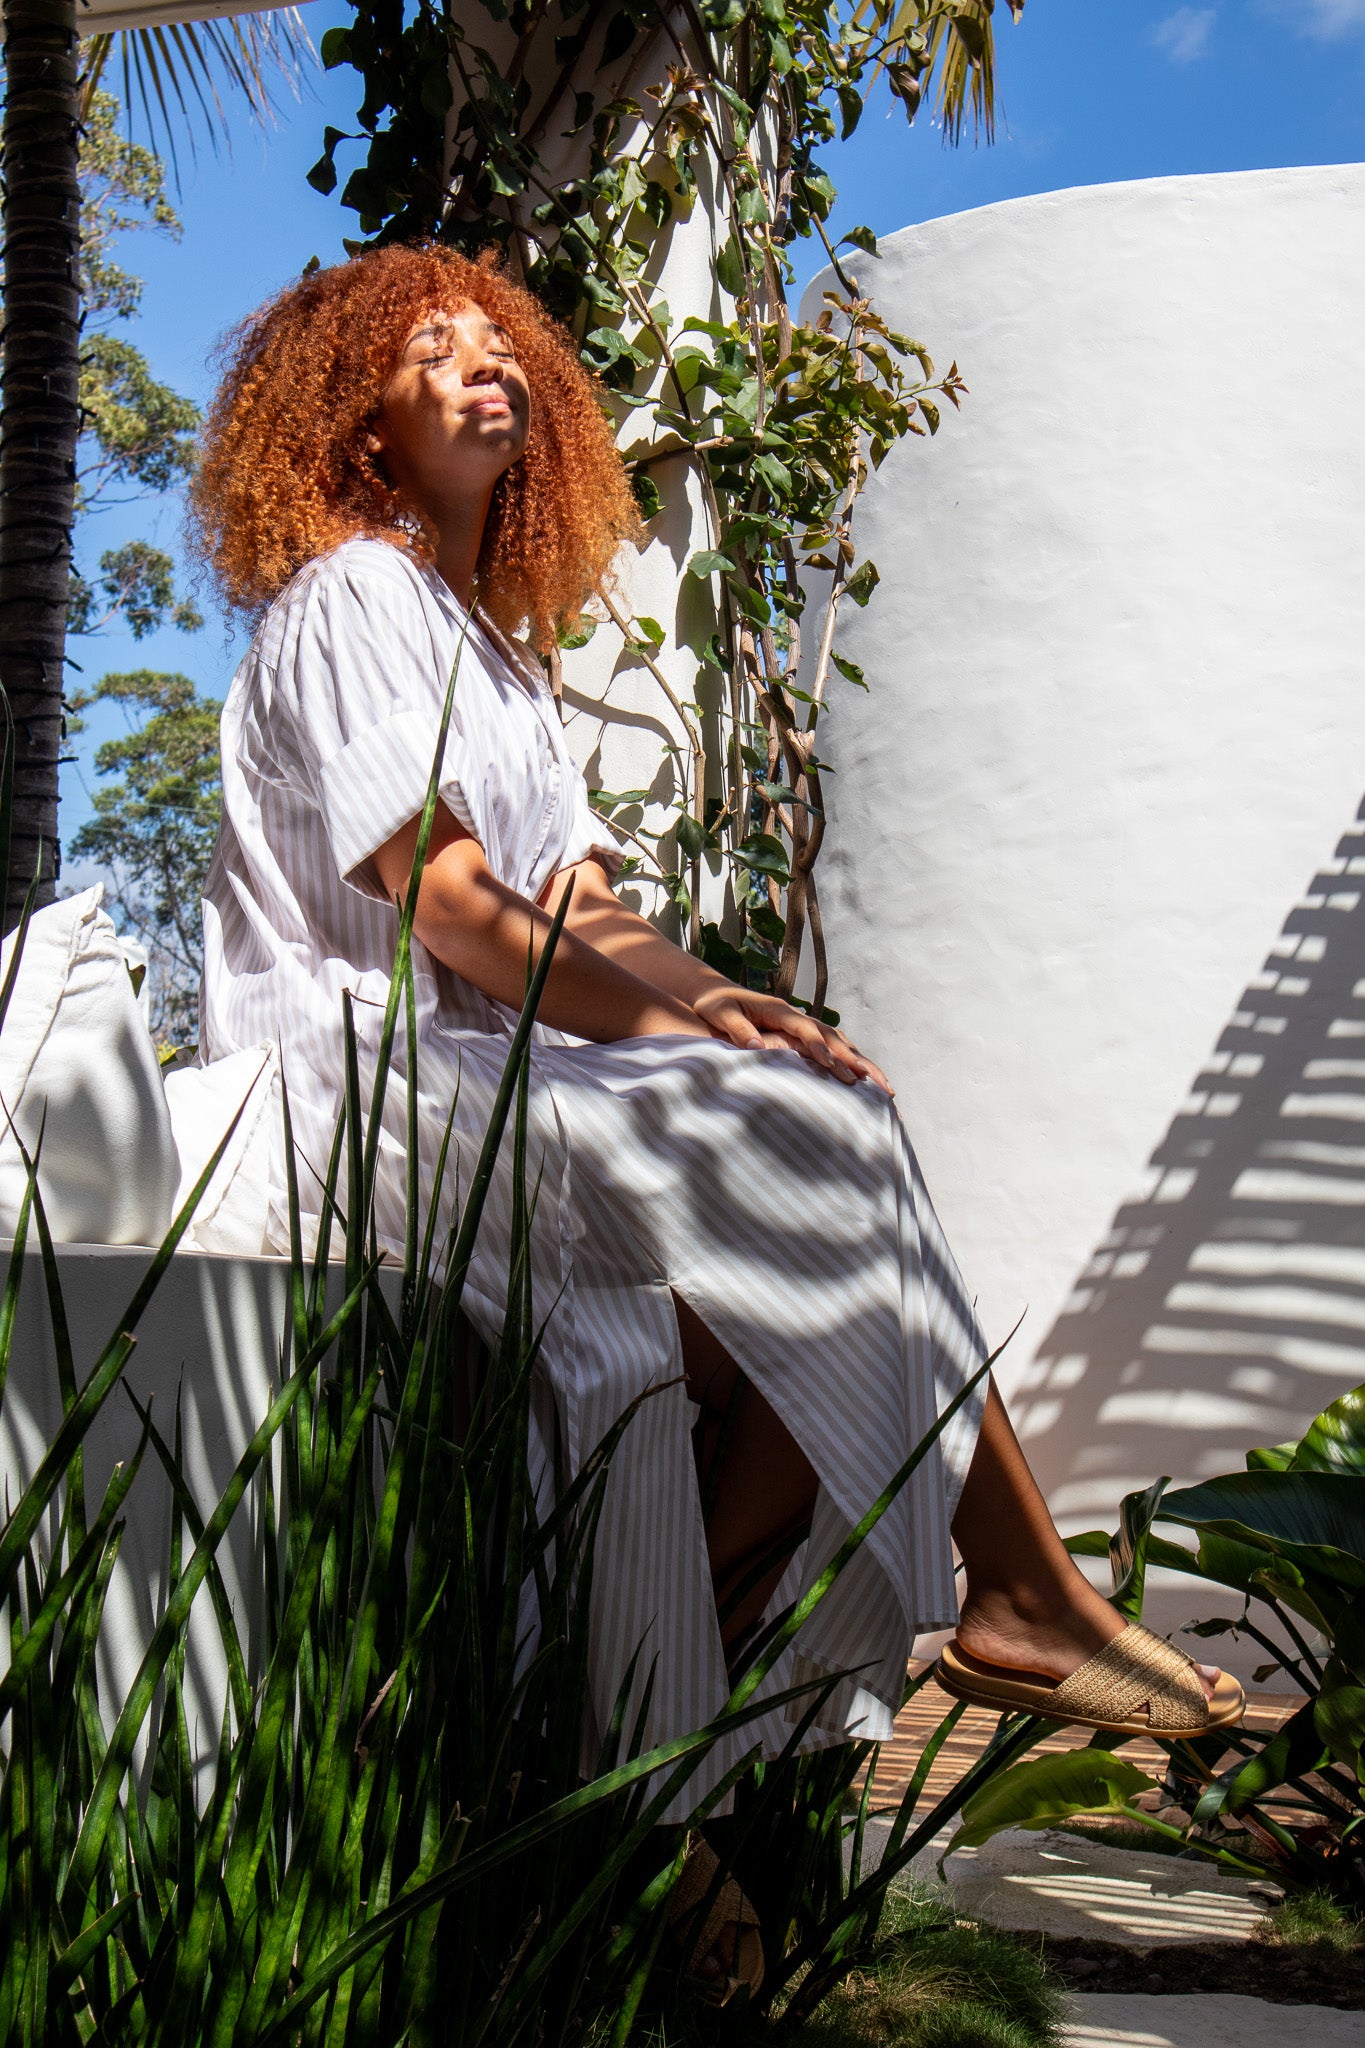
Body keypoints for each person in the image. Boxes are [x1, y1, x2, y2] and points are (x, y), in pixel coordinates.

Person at [190, 243, 1242, 1997]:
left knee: (810, 1150)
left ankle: (623, 1788)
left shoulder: (502, 666)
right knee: (818, 1158)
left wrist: (726, 1006)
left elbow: (586, 917)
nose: (482, 368)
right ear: (348, 419)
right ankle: (1017, 1598)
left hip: (507, 1078)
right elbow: (450, 908)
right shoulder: (349, 601)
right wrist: (701, 1036)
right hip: (361, 1080)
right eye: (425, 350)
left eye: (498, 345)